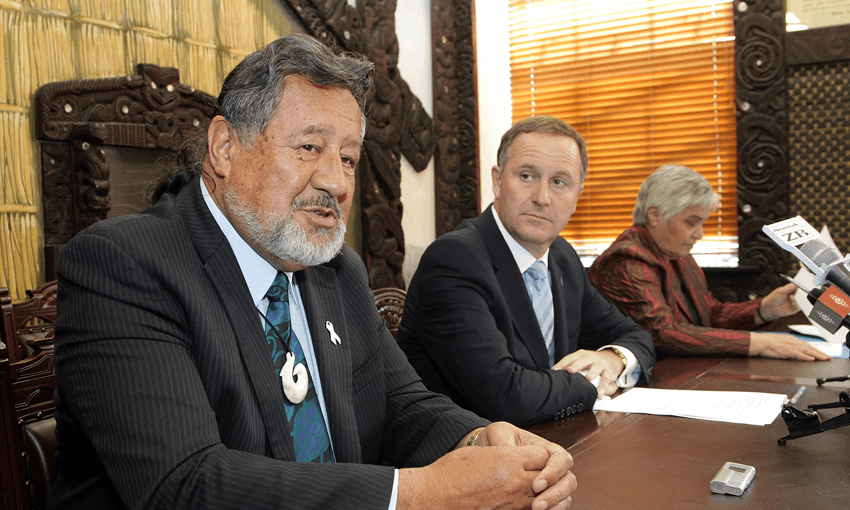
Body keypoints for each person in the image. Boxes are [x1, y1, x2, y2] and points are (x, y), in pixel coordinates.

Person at [47, 34, 576, 510]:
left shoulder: (336, 267)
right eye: (309, 148)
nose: (337, 183)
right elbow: (183, 484)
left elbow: (401, 405)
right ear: (225, 148)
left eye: (347, 158)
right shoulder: (124, 265)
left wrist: (484, 441)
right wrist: (418, 495)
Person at [397, 115, 656, 427]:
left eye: (559, 182)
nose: (542, 198)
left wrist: (613, 359)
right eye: (527, 176)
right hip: (465, 456)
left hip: (555, 440)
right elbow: (505, 396)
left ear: (577, 196)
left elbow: (634, 335)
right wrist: (593, 383)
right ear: (497, 180)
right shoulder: (455, 260)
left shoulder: (562, 258)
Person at [588, 164, 830, 361]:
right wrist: (758, 342)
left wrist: (764, 308)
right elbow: (662, 334)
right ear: (655, 215)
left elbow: (710, 315)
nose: (700, 233)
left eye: (702, 222)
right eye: (691, 222)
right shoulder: (627, 259)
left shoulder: (678, 254)